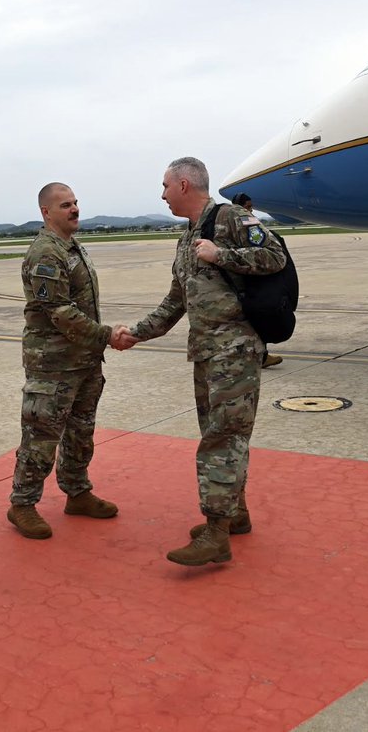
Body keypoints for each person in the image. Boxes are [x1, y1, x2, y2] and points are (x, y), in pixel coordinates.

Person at [114, 157, 285, 566]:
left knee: (221, 441)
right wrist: (137, 333)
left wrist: (221, 255)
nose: (162, 194)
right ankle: (235, 514)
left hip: (236, 352)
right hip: (206, 354)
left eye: (165, 186)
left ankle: (216, 531)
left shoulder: (229, 219)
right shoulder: (187, 237)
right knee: (219, 435)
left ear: (185, 185)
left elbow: (275, 257)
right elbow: (177, 300)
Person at [7, 182, 121, 539]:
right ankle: (22, 504)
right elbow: (58, 311)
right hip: (53, 364)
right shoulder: (46, 253)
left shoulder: (71, 247)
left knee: (81, 431)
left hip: (84, 361)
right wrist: (107, 335)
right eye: (65, 205)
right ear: (46, 212)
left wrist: (97, 345)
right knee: (41, 435)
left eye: (75, 203)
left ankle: (77, 492)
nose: (74, 209)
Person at [231, 193, 282, 368]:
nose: (251, 209)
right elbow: (259, 245)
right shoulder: (246, 221)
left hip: (237, 279)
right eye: (249, 206)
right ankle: (261, 356)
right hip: (251, 278)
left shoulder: (226, 222)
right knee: (257, 318)